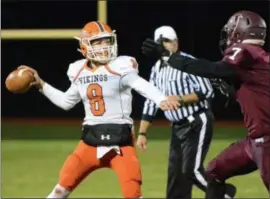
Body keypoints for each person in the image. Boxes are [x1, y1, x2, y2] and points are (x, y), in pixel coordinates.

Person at [19, 21, 180, 198]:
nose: (105, 46)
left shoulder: (121, 67)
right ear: (85, 45)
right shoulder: (79, 71)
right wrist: (41, 84)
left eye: (107, 41)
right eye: (98, 42)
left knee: (133, 193)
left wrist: (161, 98)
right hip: (89, 142)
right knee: (60, 189)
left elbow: (141, 85)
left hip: (121, 143)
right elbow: (66, 102)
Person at [141, 10, 270, 197]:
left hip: (266, 141)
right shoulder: (256, 60)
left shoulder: (246, 51)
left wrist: (168, 56)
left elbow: (213, 69)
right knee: (214, 172)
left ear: (239, 31)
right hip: (254, 140)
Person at [137, 26, 235, 199]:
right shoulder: (156, 68)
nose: (164, 45)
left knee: (192, 171)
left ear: (176, 42)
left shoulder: (187, 62)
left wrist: (180, 99)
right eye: (160, 43)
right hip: (177, 126)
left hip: (196, 121)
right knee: (176, 176)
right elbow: (151, 99)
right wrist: (143, 132)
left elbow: (206, 91)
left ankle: (225, 194)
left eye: (167, 41)